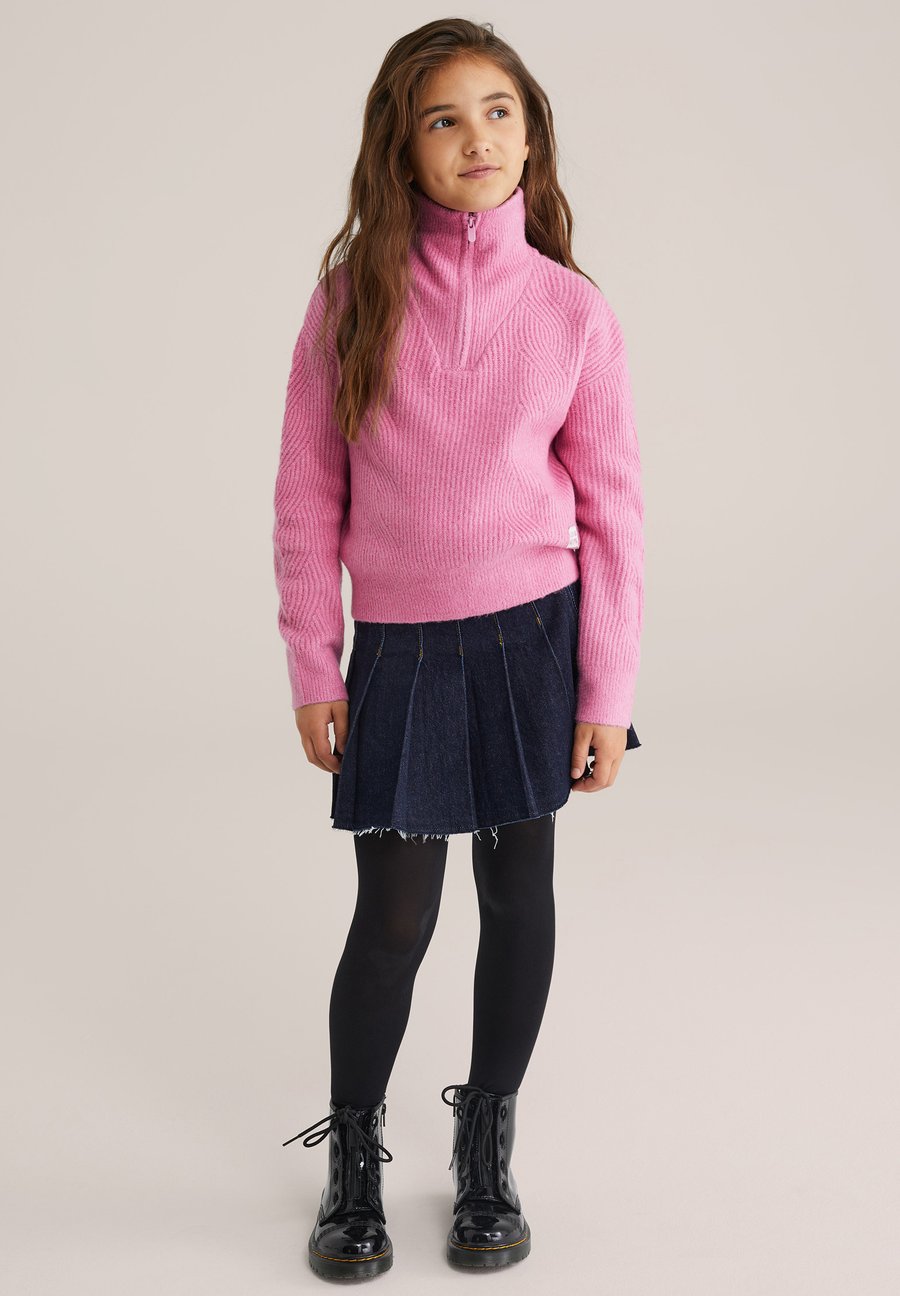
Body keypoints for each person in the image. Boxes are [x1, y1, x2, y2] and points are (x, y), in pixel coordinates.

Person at [273, 17, 645, 1281]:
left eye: (498, 112)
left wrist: (607, 690)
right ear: (403, 149)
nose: (476, 137)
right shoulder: (351, 302)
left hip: (535, 640)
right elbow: (305, 498)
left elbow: (615, 511)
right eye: (444, 118)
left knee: (518, 894)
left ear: (531, 137)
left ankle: (486, 1154)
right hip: (401, 652)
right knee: (393, 916)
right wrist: (313, 661)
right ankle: (354, 1162)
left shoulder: (573, 312)